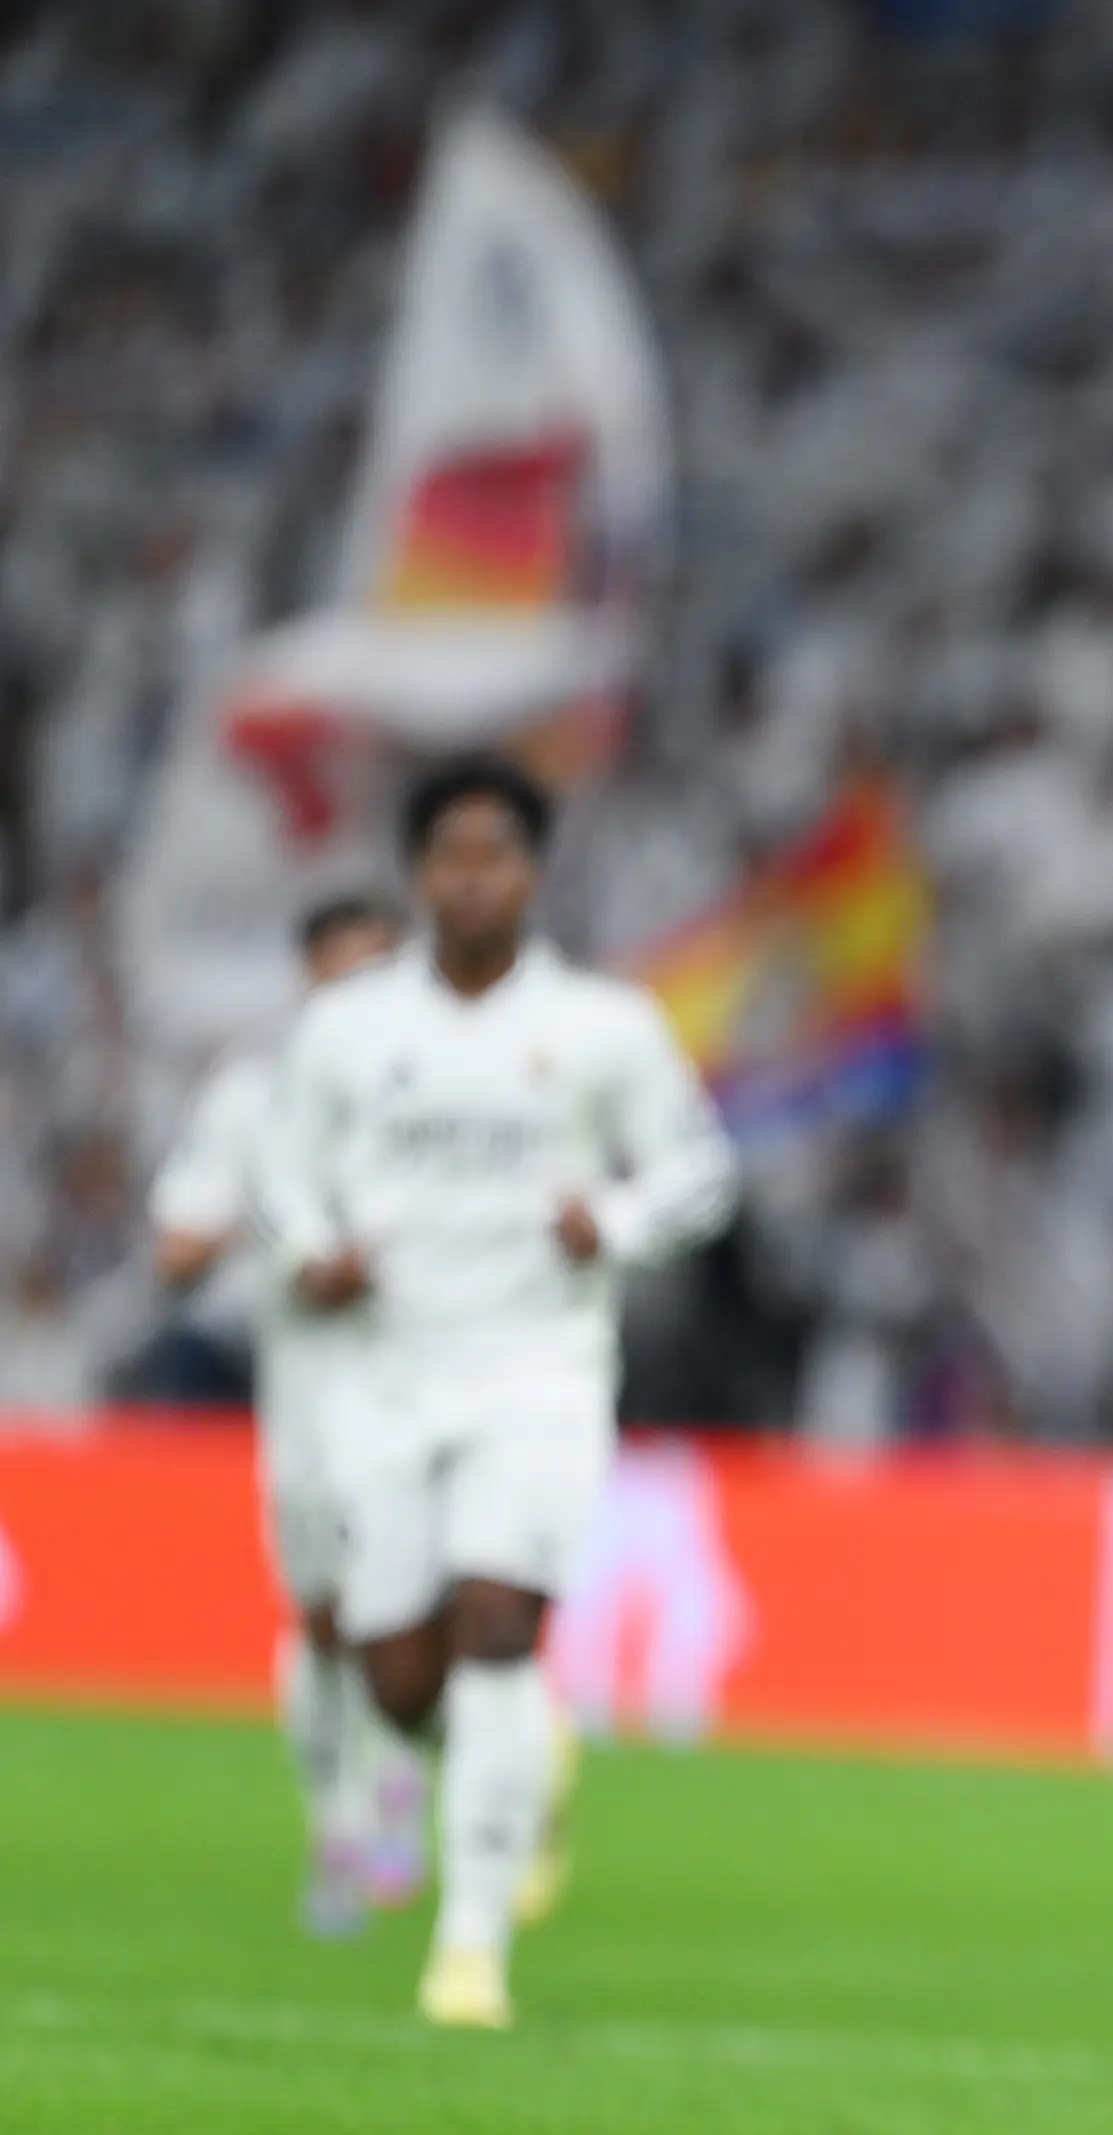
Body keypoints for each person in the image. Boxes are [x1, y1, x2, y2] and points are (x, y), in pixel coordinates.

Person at [259, 754, 739, 2029]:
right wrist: (313, 1251)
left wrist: (614, 1223)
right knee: (400, 1681)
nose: (473, 879)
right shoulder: (351, 1028)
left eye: (497, 855)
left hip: (538, 1372)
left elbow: (699, 1171)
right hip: (384, 1376)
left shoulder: (602, 1026)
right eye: (451, 856)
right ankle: (531, 1750)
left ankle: (469, 1951)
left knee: (498, 1622)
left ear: (534, 872)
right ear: (419, 873)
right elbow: (280, 1168)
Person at [149, 891, 424, 1934]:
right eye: (342, 972)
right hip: (309, 1398)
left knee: (415, 1599)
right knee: (324, 1618)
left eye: (380, 972)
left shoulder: (442, 1093)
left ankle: (395, 1776)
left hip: (424, 1388)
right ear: (308, 981)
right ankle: (337, 1823)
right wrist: (260, 1227)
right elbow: (178, 1247)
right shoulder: (252, 1099)